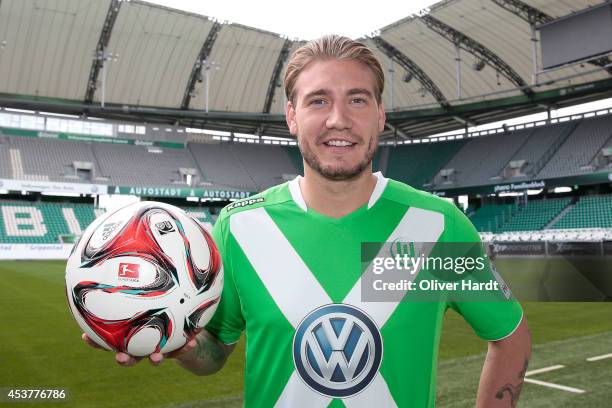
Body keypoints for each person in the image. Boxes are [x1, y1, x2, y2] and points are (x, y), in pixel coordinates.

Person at [84, 35, 531, 407]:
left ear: (380, 114)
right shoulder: (240, 228)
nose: (339, 119)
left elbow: (510, 337)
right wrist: (181, 344)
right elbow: (214, 352)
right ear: (292, 116)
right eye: (318, 101)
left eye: (358, 99)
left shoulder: (437, 226)